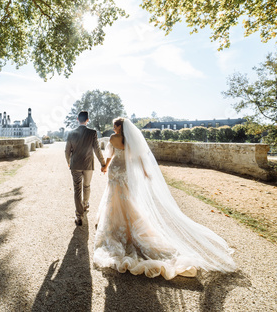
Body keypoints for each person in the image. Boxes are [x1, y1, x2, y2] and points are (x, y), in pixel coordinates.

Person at [93, 117, 236, 280]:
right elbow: (139, 157)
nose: (113, 129)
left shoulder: (113, 139)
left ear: (119, 127)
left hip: (115, 169)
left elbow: (110, 155)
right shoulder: (131, 140)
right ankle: (130, 224)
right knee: (126, 197)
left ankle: (114, 226)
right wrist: (146, 172)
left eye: (115, 126)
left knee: (113, 197)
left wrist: (105, 166)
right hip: (125, 171)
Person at [65, 111, 106, 226]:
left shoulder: (71, 133)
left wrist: (69, 162)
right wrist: (103, 163)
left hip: (75, 165)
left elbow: (67, 150)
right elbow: (97, 149)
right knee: (86, 186)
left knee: (77, 189)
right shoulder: (92, 133)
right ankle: (85, 203)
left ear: (77, 119)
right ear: (87, 120)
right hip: (88, 165)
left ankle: (79, 216)